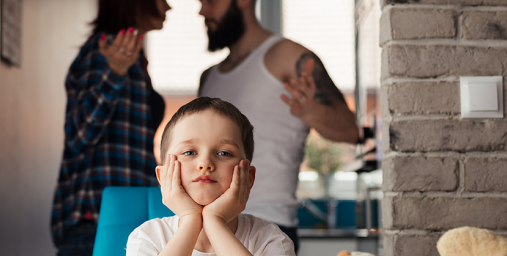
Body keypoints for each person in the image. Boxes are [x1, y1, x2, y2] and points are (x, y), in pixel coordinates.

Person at [197, 0, 360, 251]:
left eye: (210, 1)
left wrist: (310, 110)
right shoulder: (209, 77)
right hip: (209, 227)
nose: (202, 11)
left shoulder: (287, 57)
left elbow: (350, 130)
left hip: (269, 226)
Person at [50, 0, 171, 255]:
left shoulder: (133, 59)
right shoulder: (103, 52)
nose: (168, 7)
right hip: (98, 222)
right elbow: (79, 136)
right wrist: (114, 74)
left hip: (128, 221)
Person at [126, 97, 296, 256]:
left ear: (248, 177)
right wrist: (190, 219)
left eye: (224, 153)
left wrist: (216, 220)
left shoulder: (270, 240)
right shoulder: (146, 238)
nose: (205, 163)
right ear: (163, 176)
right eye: (189, 152)